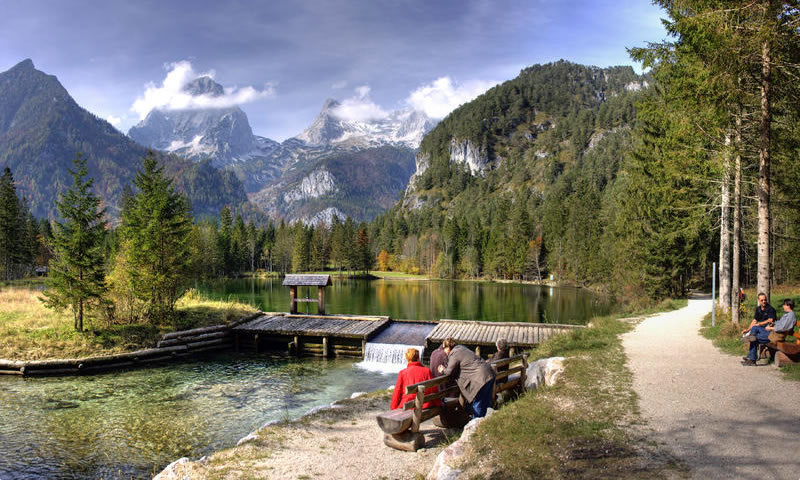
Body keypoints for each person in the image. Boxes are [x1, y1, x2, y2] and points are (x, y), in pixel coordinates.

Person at [437, 338, 496, 418]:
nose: (444, 351)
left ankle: (475, 428)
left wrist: (443, 370)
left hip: (480, 379)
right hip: (489, 374)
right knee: (485, 405)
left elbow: (449, 371)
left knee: (478, 406)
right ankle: (484, 425)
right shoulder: (462, 348)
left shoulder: (454, 353)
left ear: (448, 347)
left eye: (445, 348)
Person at [741, 293, 777, 366]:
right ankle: (751, 355)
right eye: (762, 300)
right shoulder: (758, 309)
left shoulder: (771, 309)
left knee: (753, 338)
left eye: (765, 300)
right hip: (760, 329)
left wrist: (760, 324)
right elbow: (754, 321)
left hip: (768, 330)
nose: (764, 301)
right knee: (753, 331)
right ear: (759, 300)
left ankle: (751, 357)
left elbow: (770, 320)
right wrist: (747, 330)